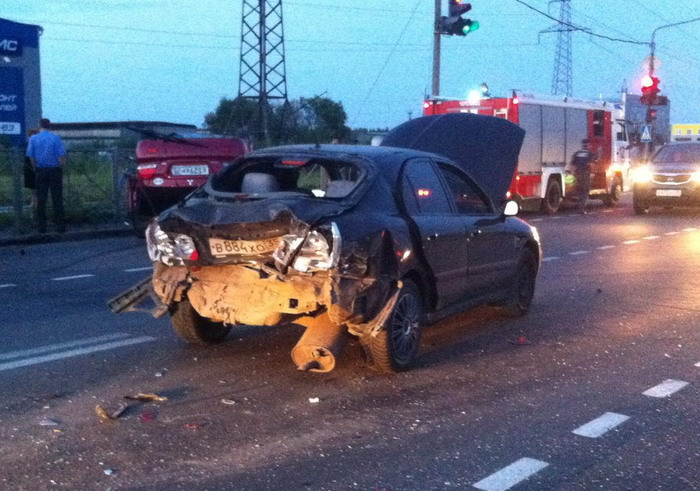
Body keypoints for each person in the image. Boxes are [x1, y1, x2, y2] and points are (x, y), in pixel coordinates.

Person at [26, 118, 67, 233]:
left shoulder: (33, 138)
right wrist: (60, 167)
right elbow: (62, 156)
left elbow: (31, 157)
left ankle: (41, 227)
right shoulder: (56, 138)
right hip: (54, 170)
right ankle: (60, 226)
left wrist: (35, 168)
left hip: (40, 170)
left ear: (40, 126)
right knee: (57, 198)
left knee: (41, 199)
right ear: (50, 126)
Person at [571, 139, 595, 214]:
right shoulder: (590, 154)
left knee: (579, 190)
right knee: (585, 191)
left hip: (577, 173)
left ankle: (578, 205)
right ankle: (581, 208)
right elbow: (591, 164)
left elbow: (572, 164)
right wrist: (592, 173)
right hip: (585, 174)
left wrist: (573, 173)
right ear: (588, 145)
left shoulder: (577, 153)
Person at [23, 128, 39, 213]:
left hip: (33, 168)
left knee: (35, 189)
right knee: (33, 189)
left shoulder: (35, 145)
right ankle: (33, 204)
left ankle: (34, 205)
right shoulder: (27, 144)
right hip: (30, 168)